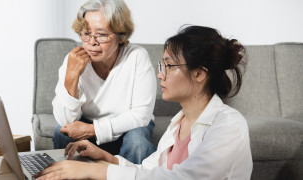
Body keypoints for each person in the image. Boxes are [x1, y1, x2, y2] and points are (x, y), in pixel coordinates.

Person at [36, 25, 253, 180]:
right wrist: (106, 158)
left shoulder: (229, 125)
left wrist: (97, 171)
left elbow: (185, 177)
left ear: (199, 74)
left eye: (168, 66)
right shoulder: (178, 124)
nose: (160, 75)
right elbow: (148, 171)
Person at [52, 0, 157, 164]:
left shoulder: (137, 56)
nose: (92, 42)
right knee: (61, 133)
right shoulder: (73, 60)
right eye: (86, 33)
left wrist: (92, 130)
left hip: (129, 128)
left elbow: (141, 116)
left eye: (101, 34)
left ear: (120, 36)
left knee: (138, 142)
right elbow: (65, 121)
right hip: (89, 122)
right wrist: (71, 76)